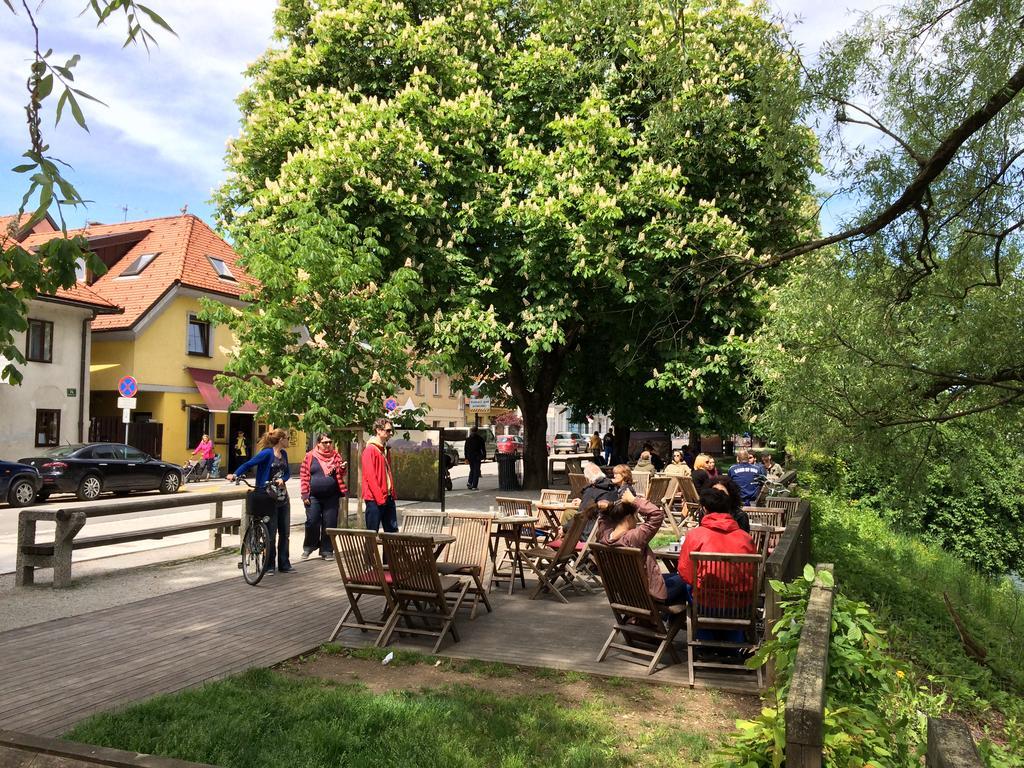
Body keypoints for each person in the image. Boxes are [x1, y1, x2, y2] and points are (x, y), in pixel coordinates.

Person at [597, 488, 686, 605]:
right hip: (647, 594)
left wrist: (606, 508)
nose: (636, 520)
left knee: (675, 577)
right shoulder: (633, 538)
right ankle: (667, 618)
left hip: (626, 593)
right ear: (628, 518)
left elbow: (603, 519)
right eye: (635, 517)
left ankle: (662, 619)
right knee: (688, 579)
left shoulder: (604, 536)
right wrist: (634, 500)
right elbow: (657, 514)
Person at [227, 428, 294, 574]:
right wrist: (235, 474)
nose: (288, 441)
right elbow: (249, 464)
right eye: (287, 438)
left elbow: (287, 472)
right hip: (268, 497)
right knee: (271, 533)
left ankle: (284, 564)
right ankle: (269, 565)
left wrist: (284, 479)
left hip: (282, 496)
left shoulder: (284, 454)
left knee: (285, 532)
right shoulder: (266, 453)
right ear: (281, 439)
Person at [677, 486, 758, 601]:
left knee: (677, 588)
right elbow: (752, 574)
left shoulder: (695, 535)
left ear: (704, 509)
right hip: (742, 605)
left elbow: (686, 573)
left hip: (706, 603)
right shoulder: (746, 538)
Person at [300, 432, 347, 560]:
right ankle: (310, 546)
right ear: (318, 444)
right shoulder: (310, 456)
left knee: (330, 523)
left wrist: (342, 468)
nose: (327, 445)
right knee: (312, 521)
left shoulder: (336, 455)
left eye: (329, 442)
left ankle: (327, 550)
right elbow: (304, 475)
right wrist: (305, 495)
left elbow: (340, 473)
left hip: (331, 496)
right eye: (324, 442)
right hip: (313, 496)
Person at [563, 461, 618, 537]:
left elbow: (582, 514)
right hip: (609, 527)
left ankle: (566, 543)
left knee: (568, 516)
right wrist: (582, 501)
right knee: (569, 513)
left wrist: (563, 528)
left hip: (590, 531)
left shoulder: (592, 490)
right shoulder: (613, 487)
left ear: (587, 478)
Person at [362, 417, 398, 532]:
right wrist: (380, 499)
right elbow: (370, 477)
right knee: (372, 534)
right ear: (378, 430)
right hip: (375, 499)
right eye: (388, 430)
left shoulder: (385, 449)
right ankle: (369, 551)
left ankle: (390, 551)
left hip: (388, 497)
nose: (390, 433)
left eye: (391, 430)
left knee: (392, 534)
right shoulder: (370, 450)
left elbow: (387, 474)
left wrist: (391, 494)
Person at [464, 426, 486, 490]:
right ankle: (474, 486)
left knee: (472, 469)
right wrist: (484, 456)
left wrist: (466, 457)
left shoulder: (468, 439)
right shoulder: (480, 439)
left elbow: (465, 449)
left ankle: (469, 482)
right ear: (477, 431)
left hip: (470, 456)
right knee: (476, 470)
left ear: (471, 431)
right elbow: (483, 448)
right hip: (477, 456)